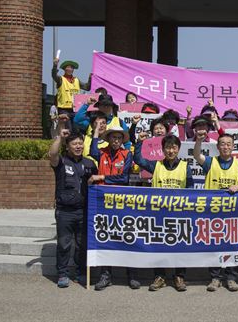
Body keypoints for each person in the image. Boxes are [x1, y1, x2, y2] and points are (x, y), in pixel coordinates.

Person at [134, 133, 194, 292]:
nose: (171, 150)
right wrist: (139, 142)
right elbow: (138, 160)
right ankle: (159, 277)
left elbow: (191, 190)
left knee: (180, 247)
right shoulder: (156, 165)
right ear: (163, 149)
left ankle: (179, 277)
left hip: (179, 215)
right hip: (158, 215)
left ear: (178, 149)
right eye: (168, 147)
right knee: (158, 247)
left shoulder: (185, 167)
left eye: (174, 147)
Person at [193, 131, 238, 292]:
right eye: (222, 144)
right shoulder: (211, 162)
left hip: (233, 213)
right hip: (213, 212)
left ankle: (231, 278)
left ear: (233, 147)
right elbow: (197, 155)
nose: (225, 146)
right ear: (217, 147)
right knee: (214, 246)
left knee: (233, 245)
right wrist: (199, 140)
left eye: (228, 144)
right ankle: (215, 278)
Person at [88, 125, 138, 290]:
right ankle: (105, 275)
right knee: (105, 237)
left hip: (122, 201)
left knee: (127, 236)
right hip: (103, 202)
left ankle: (131, 274)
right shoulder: (101, 152)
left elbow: (123, 178)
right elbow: (92, 149)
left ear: (122, 140)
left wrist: (101, 176)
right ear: (108, 139)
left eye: (119, 138)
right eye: (113, 138)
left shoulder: (127, 154)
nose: (116, 141)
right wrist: (96, 132)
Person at [48, 125, 97, 288]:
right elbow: (52, 154)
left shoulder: (89, 163)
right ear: (68, 147)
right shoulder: (61, 161)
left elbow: (97, 184)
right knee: (64, 244)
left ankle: (81, 272)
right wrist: (59, 138)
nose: (78, 146)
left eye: (80, 143)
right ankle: (62, 274)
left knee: (82, 245)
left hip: (84, 211)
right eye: (74, 144)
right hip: (65, 212)